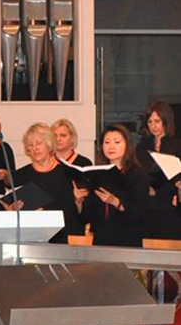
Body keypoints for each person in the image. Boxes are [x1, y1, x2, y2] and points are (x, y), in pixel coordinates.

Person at [73, 125, 149, 247]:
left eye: (117, 142)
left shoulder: (137, 174)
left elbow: (142, 212)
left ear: (127, 145)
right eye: (106, 142)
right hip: (101, 238)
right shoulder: (97, 173)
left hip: (128, 238)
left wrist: (117, 203)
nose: (111, 146)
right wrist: (79, 202)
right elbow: (86, 217)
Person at [12, 124, 78, 243]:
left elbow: (71, 212)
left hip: (60, 238)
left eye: (38, 143)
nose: (34, 148)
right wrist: (14, 208)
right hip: (28, 237)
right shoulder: (20, 175)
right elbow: (10, 209)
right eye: (30, 145)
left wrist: (46, 215)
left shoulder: (66, 172)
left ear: (49, 144)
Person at [136, 102, 181, 239]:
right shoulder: (142, 145)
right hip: (147, 204)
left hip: (169, 204)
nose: (153, 125)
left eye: (157, 121)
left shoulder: (177, 145)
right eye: (150, 122)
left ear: (166, 121)